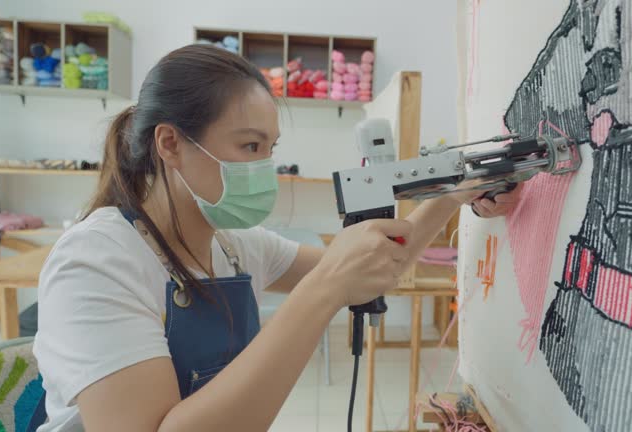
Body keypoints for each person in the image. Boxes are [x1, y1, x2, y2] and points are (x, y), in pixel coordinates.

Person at [32, 44, 521, 431]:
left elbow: (376, 268)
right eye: (249, 146)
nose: (266, 167)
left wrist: (452, 196)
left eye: (270, 149)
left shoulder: (233, 245)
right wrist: (322, 290)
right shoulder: (96, 262)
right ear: (170, 144)